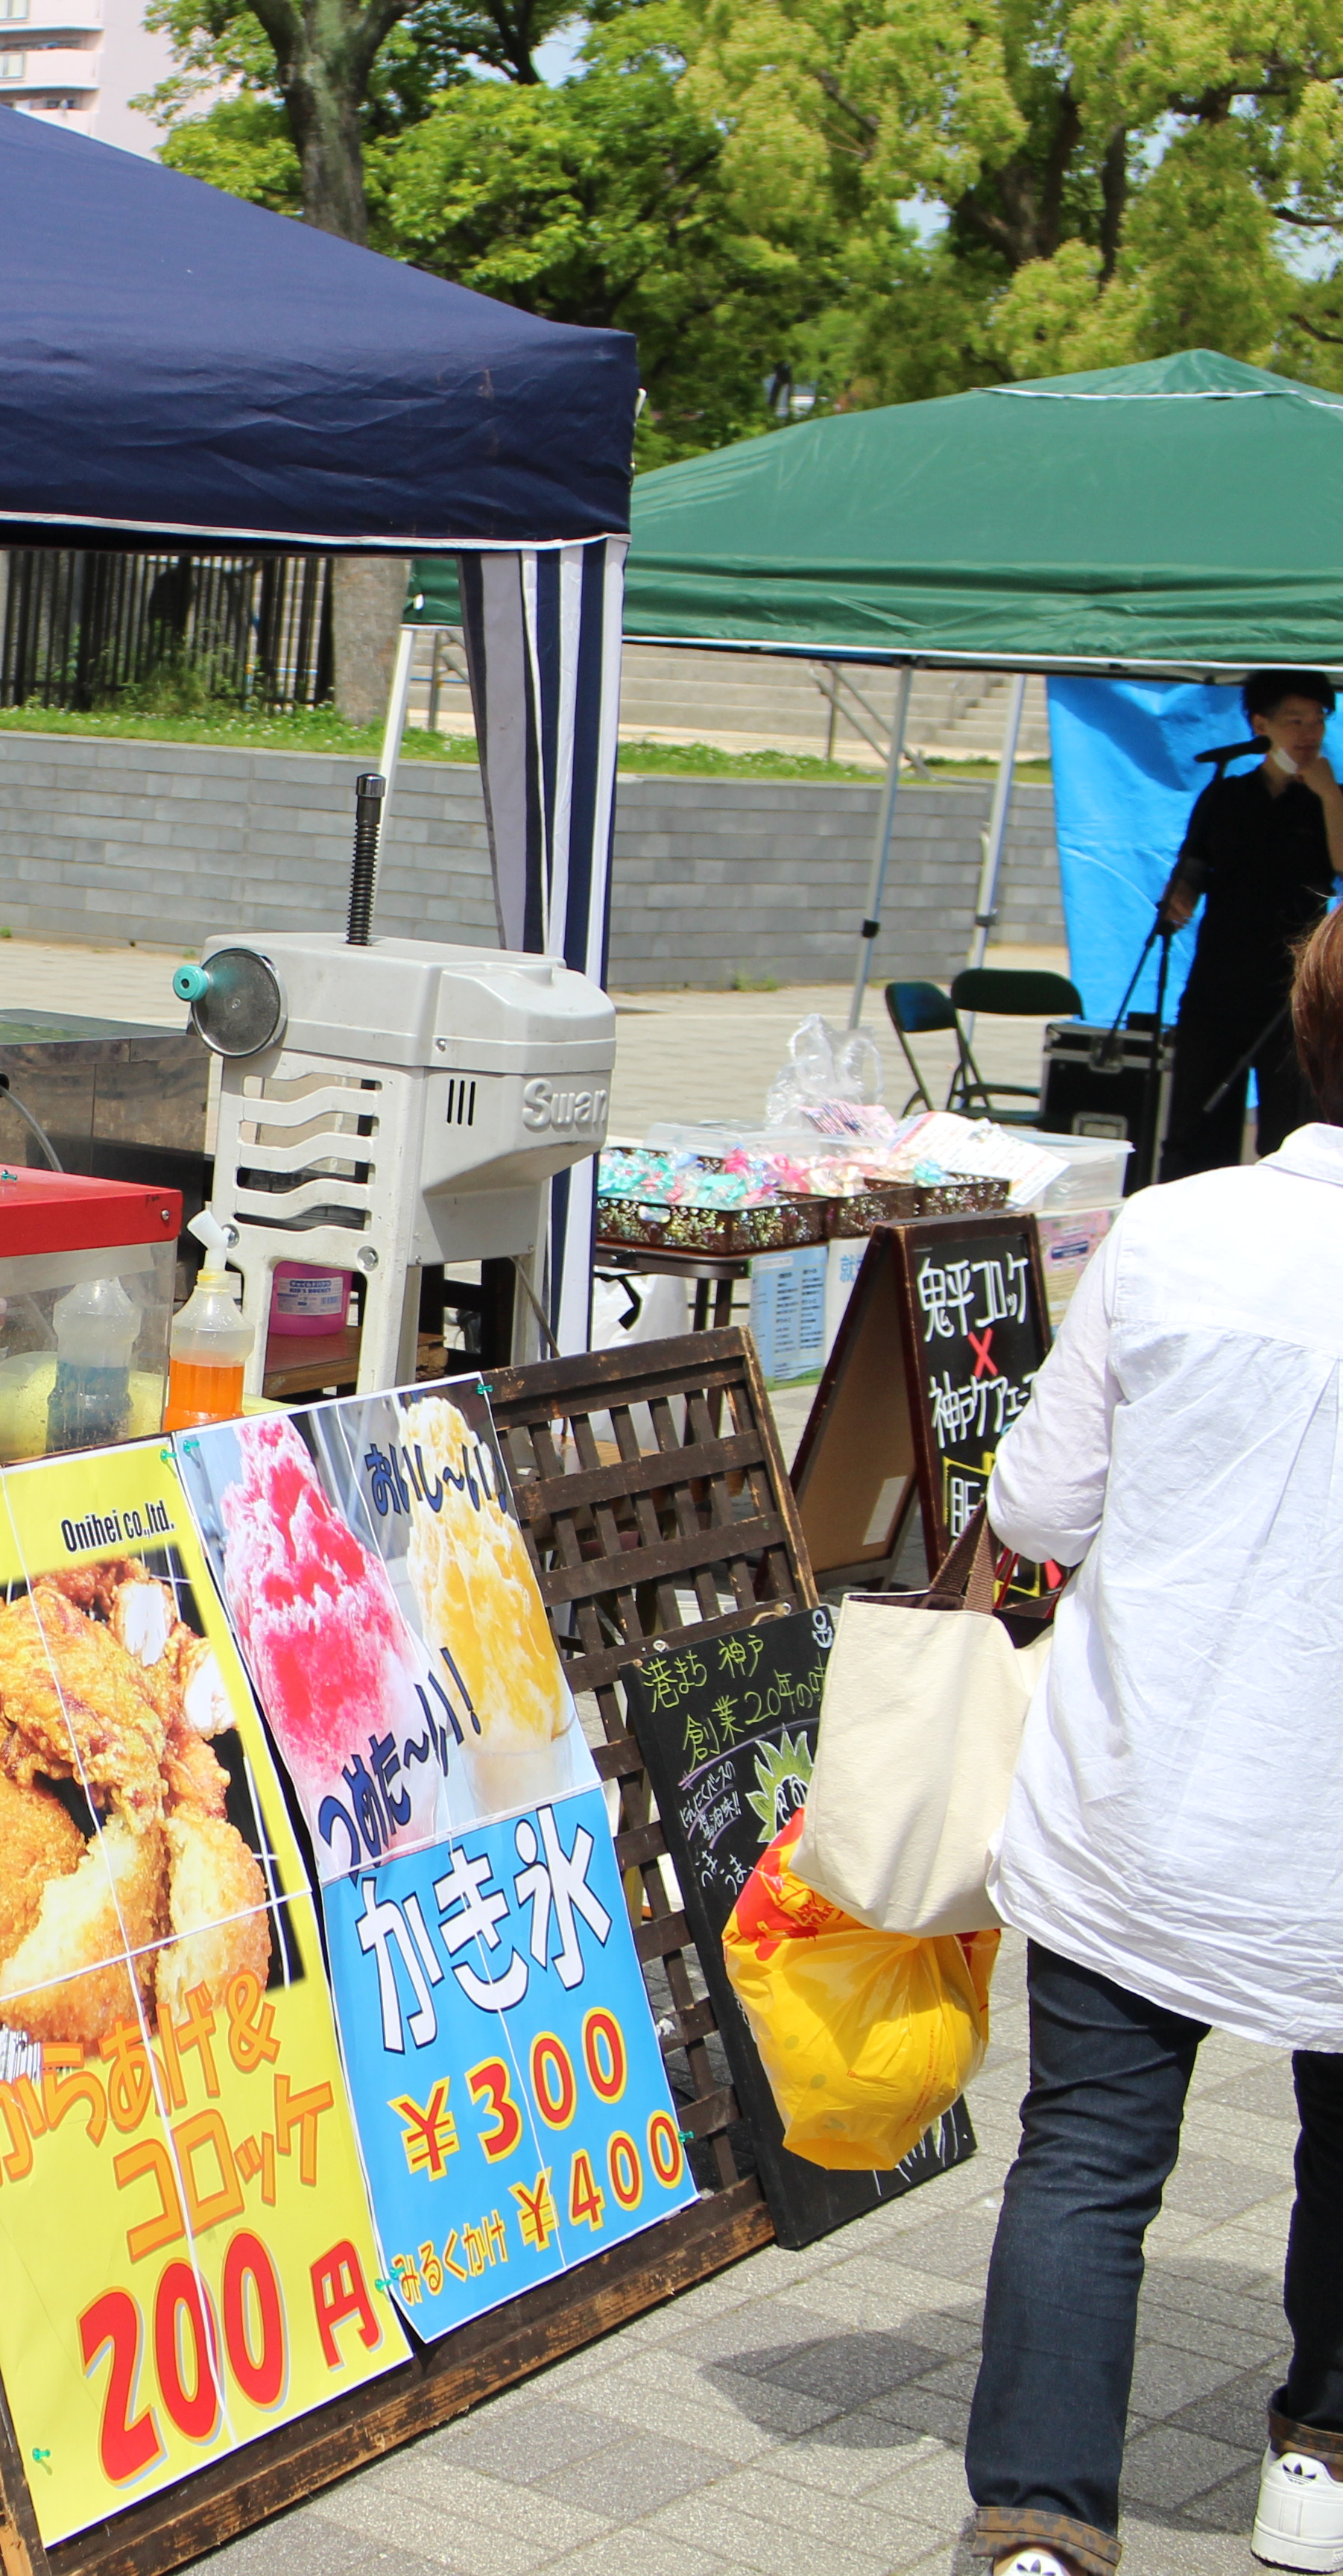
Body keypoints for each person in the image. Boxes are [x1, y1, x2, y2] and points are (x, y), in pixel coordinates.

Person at [964, 911, 1343, 2576]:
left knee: (1088, 2157)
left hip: (1143, 1787)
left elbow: (1040, 1506)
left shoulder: (1176, 1230)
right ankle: (1316, 2463)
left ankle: (1039, 2526)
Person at [1153, 668, 1341, 1179]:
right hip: (1219, 982)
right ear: (1261, 725)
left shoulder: (1333, 799)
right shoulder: (1226, 795)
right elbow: (1195, 867)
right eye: (1294, 720)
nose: (1308, 733)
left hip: (1292, 993)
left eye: (1318, 720)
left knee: (1289, 1127)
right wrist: (1178, 898)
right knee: (1195, 1127)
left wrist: (1330, 797)